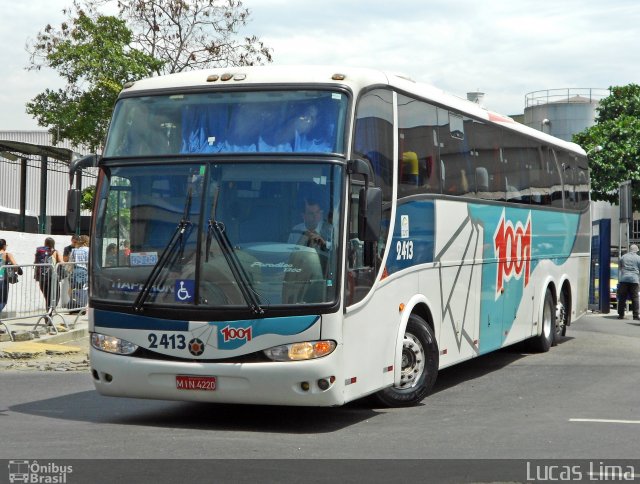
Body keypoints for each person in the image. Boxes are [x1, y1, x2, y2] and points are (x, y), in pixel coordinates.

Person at [34, 237, 63, 311]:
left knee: (47, 297)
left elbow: (35, 262)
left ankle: (48, 313)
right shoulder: (55, 252)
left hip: (41, 277)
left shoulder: (39, 252)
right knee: (56, 296)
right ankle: (49, 313)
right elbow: (61, 263)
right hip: (52, 277)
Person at [617, 244, 640, 320]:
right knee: (635, 298)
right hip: (634, 280)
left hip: (624, 279)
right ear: (636, 250)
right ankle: (635, 316)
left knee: (622, 297)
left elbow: (620, 267)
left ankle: (621, 315)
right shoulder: (638, 258)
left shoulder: (623, 257)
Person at [0, 239, 22, 314]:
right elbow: (15, 265)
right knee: (3, 301)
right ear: (4, 246)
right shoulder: (7, 255)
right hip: (2, 280)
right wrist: (16, 270)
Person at [69, 235, 90, 309]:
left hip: (74, 271)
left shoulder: (74, 250)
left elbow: (71, 262)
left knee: (74, 288)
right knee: (83, 289)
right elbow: (89, 262)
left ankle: (73, 305)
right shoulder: (88, 250)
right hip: (83, 271)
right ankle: (81, 306)